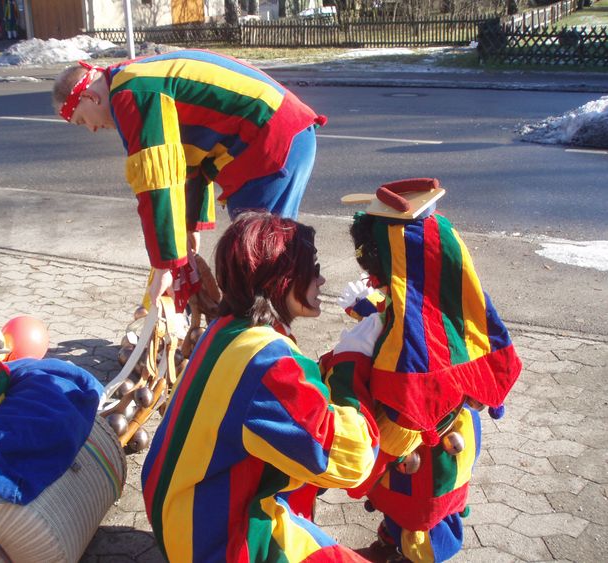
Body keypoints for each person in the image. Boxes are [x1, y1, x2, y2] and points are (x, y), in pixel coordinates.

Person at [141, 212, 378, 562]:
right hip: (213, 542)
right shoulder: (269, 364)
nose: (322, 279)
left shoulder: (225, 327)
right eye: (312, 269)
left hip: (177, 510)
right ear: (280, 280)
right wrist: (350, 366)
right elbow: (353, 460)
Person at [330, 178, 522, 562]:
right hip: (455, 432)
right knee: (424, 505)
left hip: (422, 443)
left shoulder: (406, 340)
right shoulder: (453, 299)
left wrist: (369, 457)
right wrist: (371, 307)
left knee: (421, 512)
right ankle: (392, 543)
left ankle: (418, 554)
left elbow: (398, 407)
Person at [51, 50, 326, 310]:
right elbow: (186, 158)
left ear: (90, 97)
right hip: (276, 136)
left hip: (270, 143)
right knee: (255, 262)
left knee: (259, 265)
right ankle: (253, 330)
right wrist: (189, 225)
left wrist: (164, 265)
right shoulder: (135, 77)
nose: (92, 128)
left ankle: (261, 338)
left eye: (82, 120)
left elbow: (156, 179)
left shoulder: (133, 92)